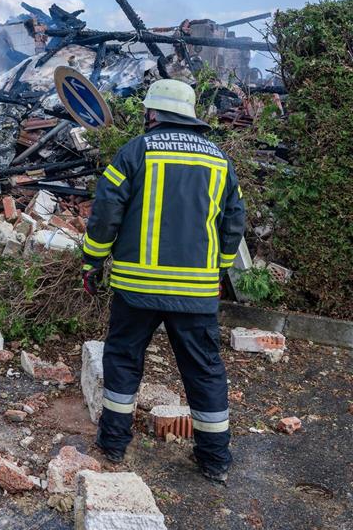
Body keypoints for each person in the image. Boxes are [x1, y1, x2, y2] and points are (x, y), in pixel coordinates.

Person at [81, 79, 245, 484]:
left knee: (122, 360)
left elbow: (106, 212)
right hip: (195, 293)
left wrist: (92, 261)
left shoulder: (136, 152)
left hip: (137, 290)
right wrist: (219, 269)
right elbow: (233, 222)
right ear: (188, 115)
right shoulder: (219, 160)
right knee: (204, 370)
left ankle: (114, 444)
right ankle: (215, 460)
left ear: (153, 113)